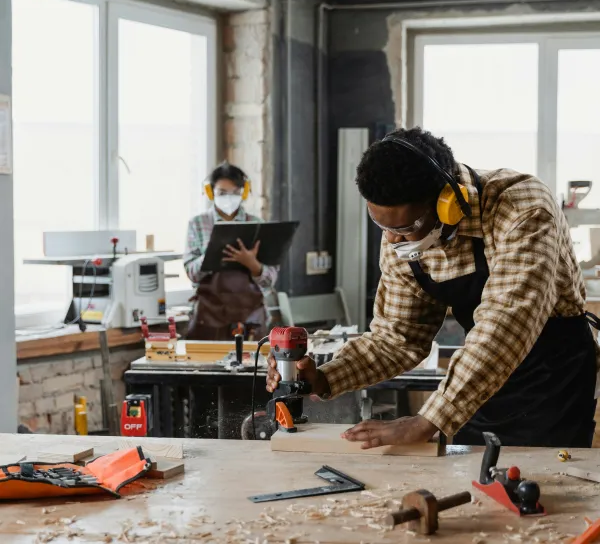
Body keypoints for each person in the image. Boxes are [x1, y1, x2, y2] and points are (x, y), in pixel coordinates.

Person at [267, 127, 600, 448]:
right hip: (475, 374)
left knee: (548, 485)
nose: (393, 239)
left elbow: (505, 324)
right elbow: (398, 338)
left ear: (447, 202)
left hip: (551, 376)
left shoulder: (522, 207)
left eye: (407, 226)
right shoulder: (400, 238)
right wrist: (324, 378)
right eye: (382, 224)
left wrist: (428, 419)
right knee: (479, 478)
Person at [185, 162, 277, 341]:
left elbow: (270, 281)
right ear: (211, 193)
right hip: (208, 319)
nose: (229, 198)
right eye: (222, 193)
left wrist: (253, 265)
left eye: (235, 193)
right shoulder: (197, 224)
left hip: (251, 319)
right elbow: (192, 274)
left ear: (243, 192)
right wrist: (212, 254)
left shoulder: (257, 225)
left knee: (253, 367)